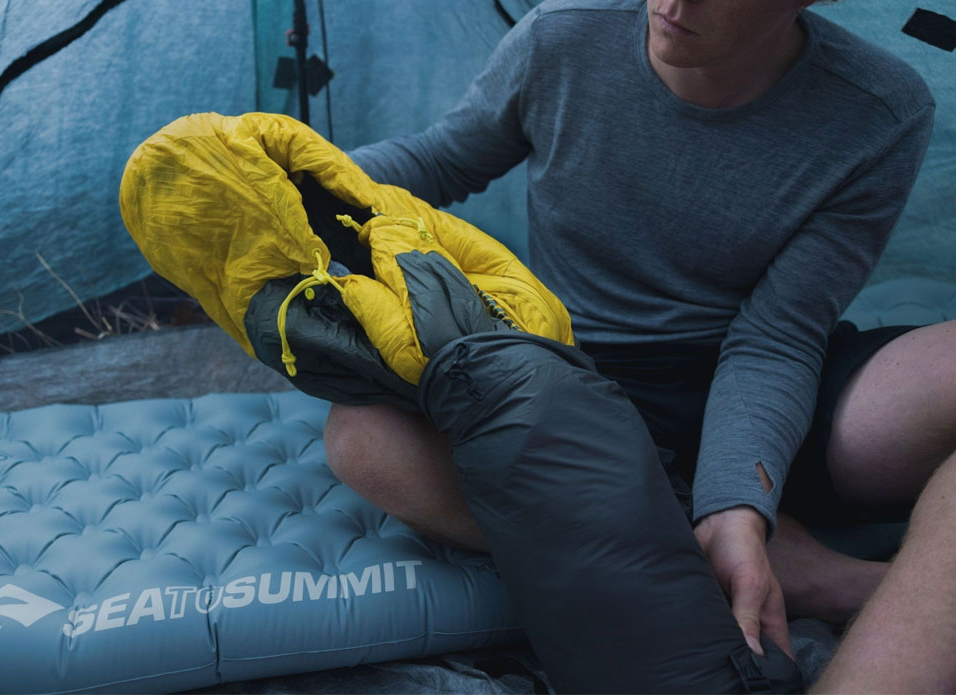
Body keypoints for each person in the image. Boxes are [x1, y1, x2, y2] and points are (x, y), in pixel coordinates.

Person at [324, 0, 953, 676]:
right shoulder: (563, 36)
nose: (672, 5)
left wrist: (738, 496)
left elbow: (777, 336)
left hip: (764, 387)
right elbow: (442, 160)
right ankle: (786, 565)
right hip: (570, 381)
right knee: (366, 439)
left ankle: (718, 537)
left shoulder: (879, 109)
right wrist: (277, 179)